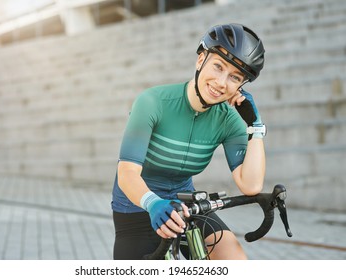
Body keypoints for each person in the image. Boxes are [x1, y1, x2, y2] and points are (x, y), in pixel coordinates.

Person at [111, 23, 266, 260]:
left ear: (240, 87)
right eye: (218, 66)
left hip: (186, 207)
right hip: (137, 206)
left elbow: (251, 185)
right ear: (200, 60)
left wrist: (255, 127)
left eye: (235, 77)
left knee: (235, 261)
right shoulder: (153, 102)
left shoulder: (228, 121)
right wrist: (153, 203)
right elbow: (127, 173)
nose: (222, 82)